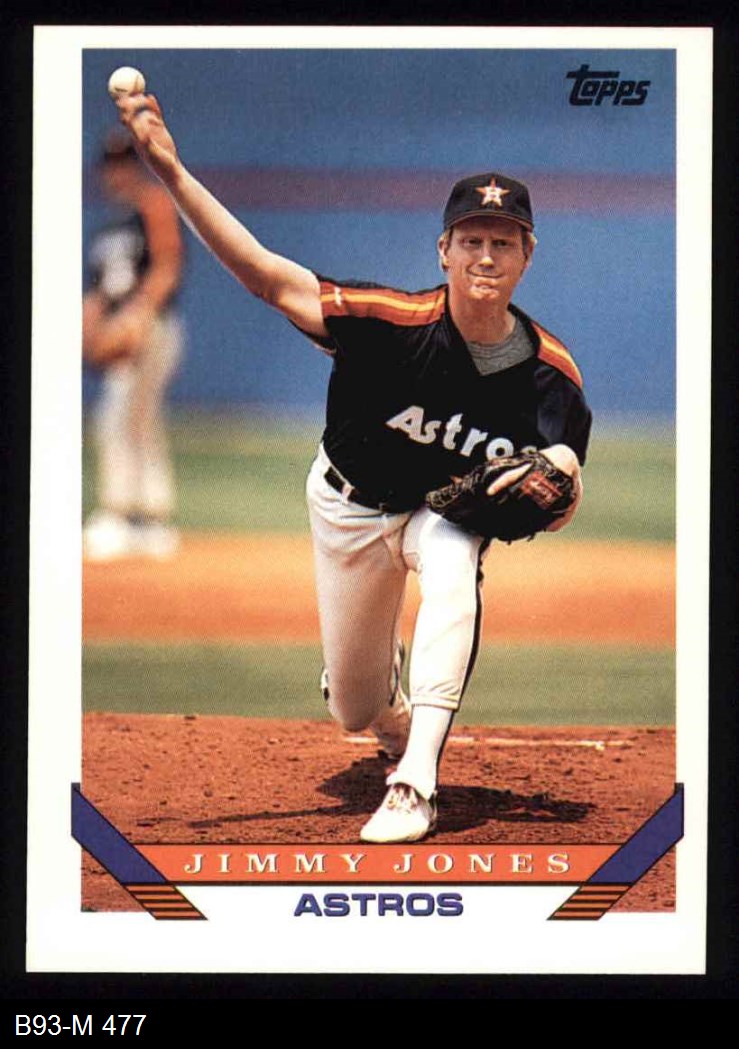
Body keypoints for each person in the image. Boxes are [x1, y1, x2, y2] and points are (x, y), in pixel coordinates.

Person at [116, 93, 592, 844]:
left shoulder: (549, 376)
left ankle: (414, 784)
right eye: (471, 239)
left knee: (454, 565)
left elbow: (560, 492)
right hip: (347, 506)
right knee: (354, 707)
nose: (486, 256)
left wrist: (561, 480)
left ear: (526, 256)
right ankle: (385, 704)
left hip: (439, 511)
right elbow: (264, 276)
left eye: (503, 242)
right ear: (443, 251)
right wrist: (171, 172)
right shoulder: (386, 324)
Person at [82, 129, 184, 560]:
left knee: (120, 418)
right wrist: (87, 332)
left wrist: (138, 315)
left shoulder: (152, 205)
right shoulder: (106, 231)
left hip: (151, 326)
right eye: (111, 164)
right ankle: (149, 520)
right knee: (136, 420)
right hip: (122, 329)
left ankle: (123, 516)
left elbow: (167, 265)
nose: (117, 172)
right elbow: (96, 294)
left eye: (124, 163)